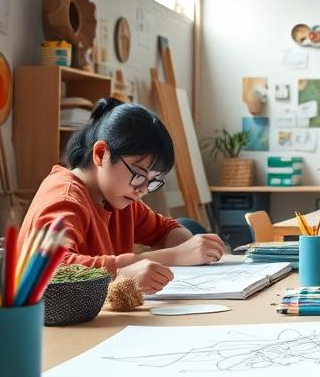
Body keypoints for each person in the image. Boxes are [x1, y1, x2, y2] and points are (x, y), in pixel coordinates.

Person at [19, 98, 226, 295]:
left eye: (152, 181)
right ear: (100, 154)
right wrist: (173, 256)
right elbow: (52, 270)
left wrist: (193, 251)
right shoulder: (64, 198)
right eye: (138, 175)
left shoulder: (119, 199)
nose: (143, 189)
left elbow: (165, 230)